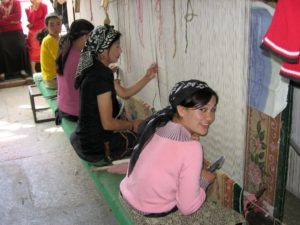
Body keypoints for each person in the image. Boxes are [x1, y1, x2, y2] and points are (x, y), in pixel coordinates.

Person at [119, 80, 245, 224]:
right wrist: (204, 180)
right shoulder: (191, 149)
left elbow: (166, 163)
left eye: (213, 110)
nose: (210, 118)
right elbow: (187, 207)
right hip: (150, 218)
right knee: (236, 219)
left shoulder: (158, 125)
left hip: (126, 198)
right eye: (203, 110)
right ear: (181, 110)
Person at [70, 24, 158, 165]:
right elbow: (108, 124)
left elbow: (124, 93)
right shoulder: (101, 76)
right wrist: (132, 124)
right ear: (103, 50)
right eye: (117, 46)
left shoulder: (93, 66)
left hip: (82, 139)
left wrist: (147, 77)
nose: (121, 50)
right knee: (150, 139)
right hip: (95, 148)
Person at [55, 19, 94, 123]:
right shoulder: (83, 57)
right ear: (85, 37)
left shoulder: (65, 50)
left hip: (62, 107)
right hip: (75, 112)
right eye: (92, 37)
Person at [0, 0, 31, 81]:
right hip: (3, 32)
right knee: (2, 49)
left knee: (21, 47)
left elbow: (18, 16)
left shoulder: (16, 2)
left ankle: (22, 70)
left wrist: (4, 18)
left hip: (17, 30)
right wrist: (11, 20)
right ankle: (2, 72)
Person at [40, 12, 62, 89]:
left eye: (58, 24)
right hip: (52, 80)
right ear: (47, 26)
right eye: (51, 25)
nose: (56, 27)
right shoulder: (49, 40)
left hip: (51, 77)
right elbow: (60, 59)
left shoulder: (58, 38)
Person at [25, 0, 47, 74]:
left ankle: (45, 68)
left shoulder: (44, 6)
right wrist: (33, 10)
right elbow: (30, 20)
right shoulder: (28, 9)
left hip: (42, 30)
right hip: (32, 32)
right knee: (33, 50)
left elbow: (44, 20)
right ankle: (33, 71)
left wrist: (33, 25)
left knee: (44, 49)